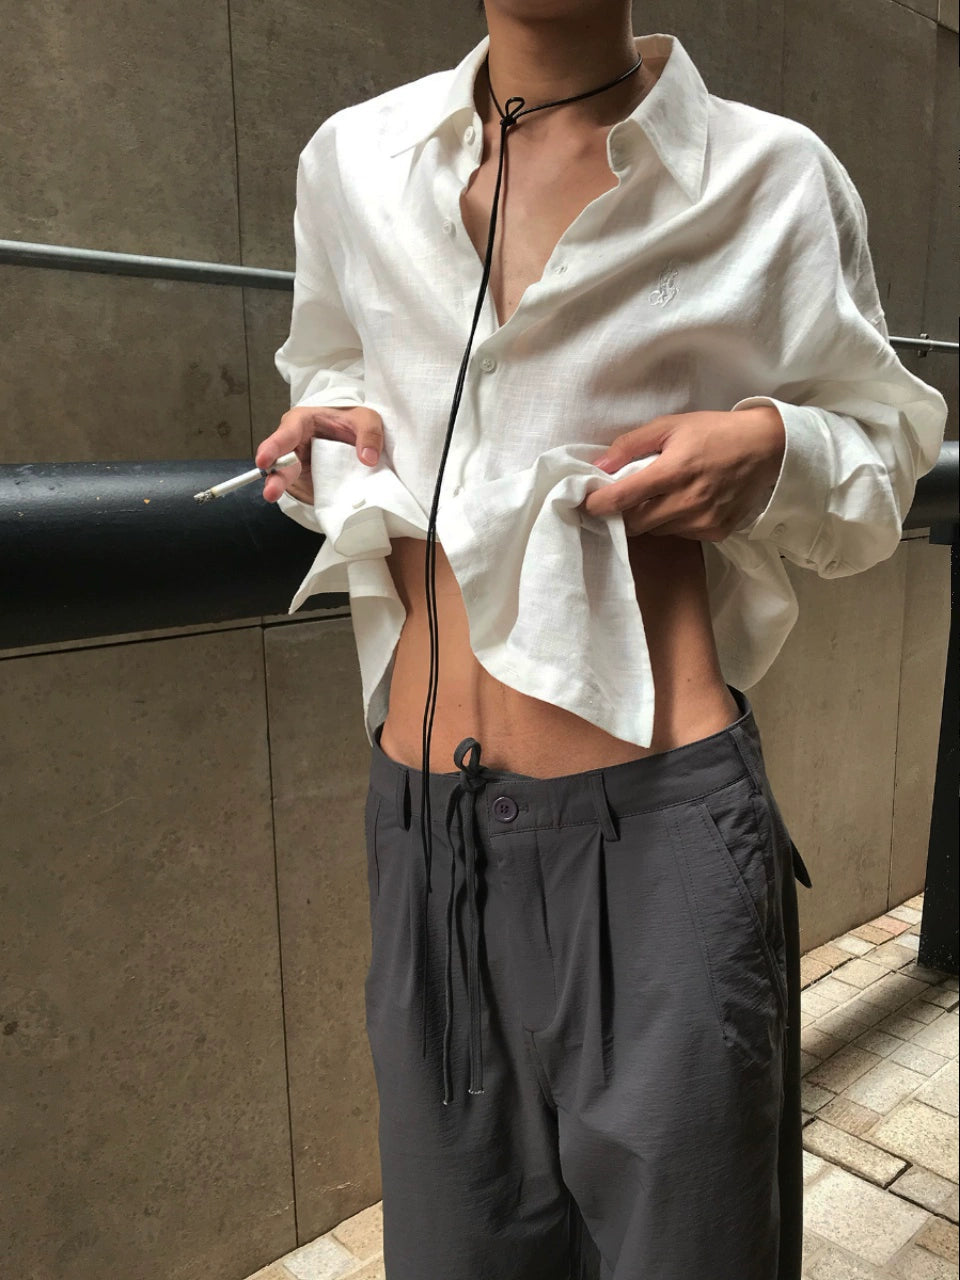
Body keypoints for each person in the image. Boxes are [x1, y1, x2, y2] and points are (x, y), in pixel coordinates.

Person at [255, 2, 948, 1277]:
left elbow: (885, 449)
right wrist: (326, 431)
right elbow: (330, 364)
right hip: (425, 830)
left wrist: (776, 446)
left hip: (660, 829)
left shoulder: (770, 175)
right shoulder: (352, 160)